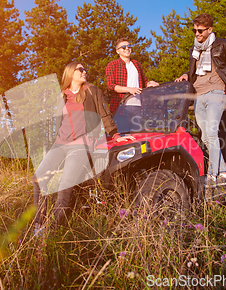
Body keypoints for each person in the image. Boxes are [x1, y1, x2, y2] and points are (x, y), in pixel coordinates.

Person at [32, 61, 134, 233]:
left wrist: (116, 135)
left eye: (85, 68)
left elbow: (105, 114)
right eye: (80, 69)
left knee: (65, 186)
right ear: (71, 73)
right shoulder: (62, 96)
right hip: (60, 144)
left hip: (80, 146)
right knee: (38, 178)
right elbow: (58, 122)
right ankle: (39, 224)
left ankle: (52, 230)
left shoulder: (92, 91)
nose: (84, 71)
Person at [175, 13, 226, 188]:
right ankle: (224, 173)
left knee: (211, 133)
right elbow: (194, 72)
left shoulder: (223, 45)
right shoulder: (194, 50)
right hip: (199, 94)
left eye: (200, 30)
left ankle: (213, 174)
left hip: (216, 92)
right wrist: (186, 75)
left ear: (209, 29)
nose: (196, 34)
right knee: (205, 136)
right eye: (194, 30)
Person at [106, 37, 159, 116]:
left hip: (138, 105)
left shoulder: (137, 64)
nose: (127, 48)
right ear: (117, 51)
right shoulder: (113, 64)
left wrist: (151, 83)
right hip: (121, 106)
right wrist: (130, 89)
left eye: (129, 46)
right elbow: (110, 86)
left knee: (138, 128)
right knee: (123, 128)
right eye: (123, 47)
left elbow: (144, 83)